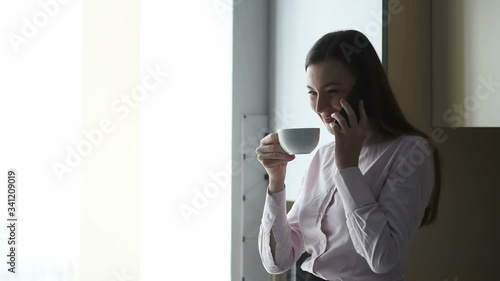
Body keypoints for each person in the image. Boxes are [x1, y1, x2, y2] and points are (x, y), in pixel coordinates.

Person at [255, 30, 441, 281]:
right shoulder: (323, 157)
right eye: (312, 92)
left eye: (331, 91)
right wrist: (276, 182)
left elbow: (382, 259)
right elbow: (278, 262)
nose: (319, 107)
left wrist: (348, 168)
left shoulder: (410, 152)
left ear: (363, 90)